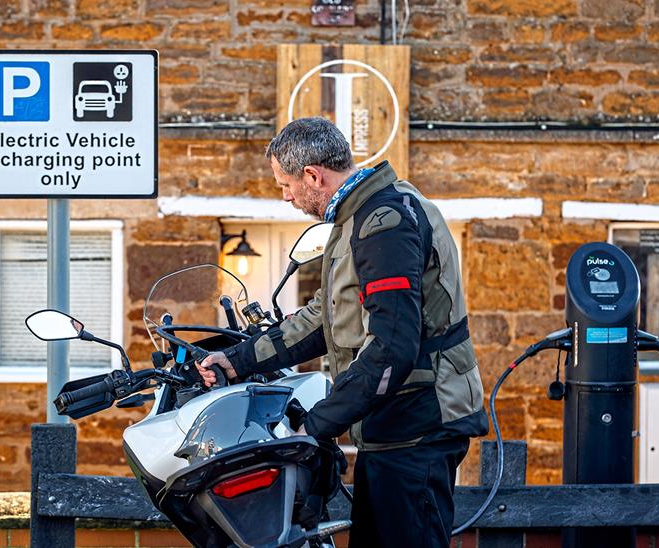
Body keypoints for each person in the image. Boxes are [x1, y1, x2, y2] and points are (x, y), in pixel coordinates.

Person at [197, 117, 489, 547]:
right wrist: (237, 361)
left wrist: (315, 427)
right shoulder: (359, 216)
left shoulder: (383, 224)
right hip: (394, 426)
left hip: (417, 427)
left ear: (313, 175)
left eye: (286, 185)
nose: (286, 197)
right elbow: (322, 318)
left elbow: (392, 348)